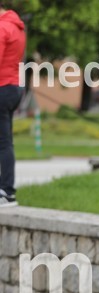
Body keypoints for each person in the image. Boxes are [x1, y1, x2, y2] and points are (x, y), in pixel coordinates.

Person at [0, 3, 25, 208]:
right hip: (13, 88)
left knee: (3, 142)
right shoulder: (16, 26)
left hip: (2, 87)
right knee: (5, 142)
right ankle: (7, 190)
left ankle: (7, 192)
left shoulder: (2, 28)